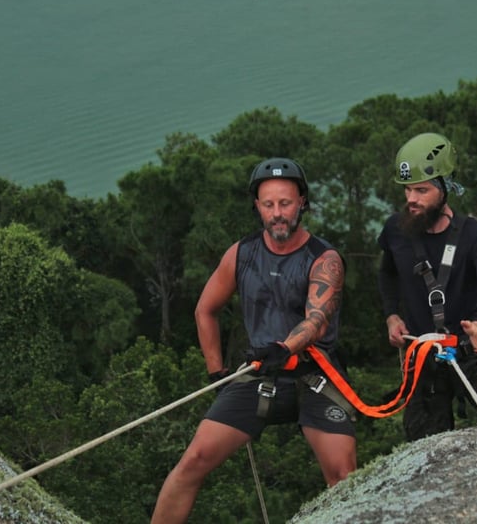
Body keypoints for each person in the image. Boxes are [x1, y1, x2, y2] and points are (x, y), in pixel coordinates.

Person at [150, 157, 356, 524]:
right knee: (193, 462)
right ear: (257, 207)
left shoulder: (324, 259)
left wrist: (284, 348)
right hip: (261, 373)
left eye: (286, 203)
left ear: (303, 203)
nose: (278, 213)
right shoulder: (241, 254)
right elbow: (205, 310)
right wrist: (217, 373)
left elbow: (317, 320)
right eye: (268, 204)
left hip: (315, 375)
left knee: (344, 479)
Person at [377, 132, 477, 441]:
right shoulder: (396, 231)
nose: (412, 199)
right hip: (423, 357)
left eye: (422, 190)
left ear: (445, 187)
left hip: (470, 352)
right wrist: (391, 315)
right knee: (423, 446)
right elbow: (387, 274)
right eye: (407, 190)